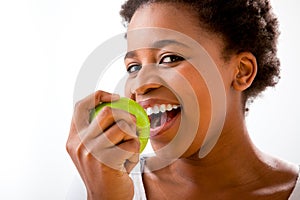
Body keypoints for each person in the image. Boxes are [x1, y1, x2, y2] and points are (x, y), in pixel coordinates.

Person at [66, 0, 300, 199]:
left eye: (169, 58)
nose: (141, 84)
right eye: (134, 67)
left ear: (242, 71)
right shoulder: (102, 184)